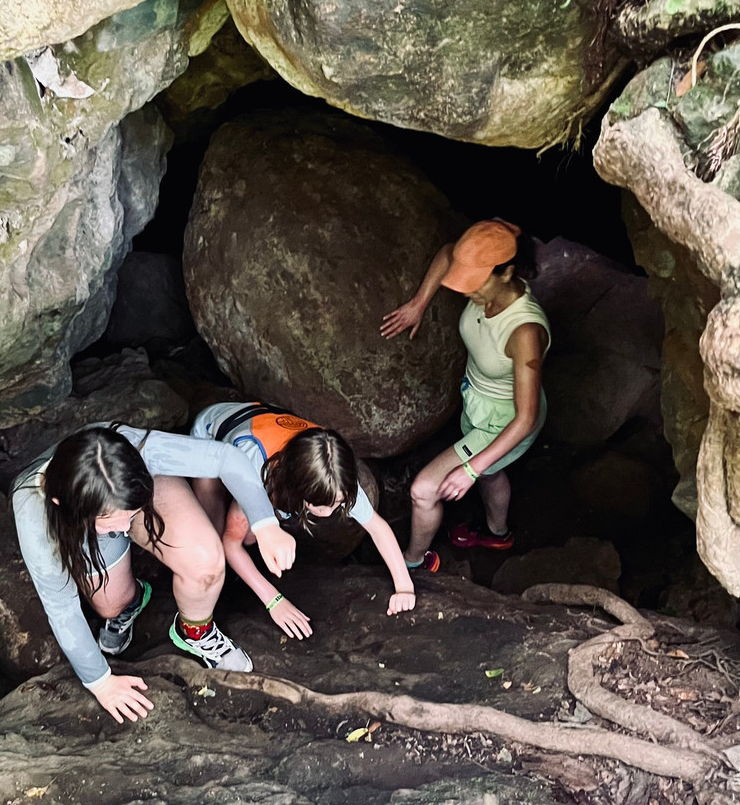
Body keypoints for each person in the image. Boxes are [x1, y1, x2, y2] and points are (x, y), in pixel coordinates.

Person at [11, 423, 297, 724]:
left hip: (127, 498)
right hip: (80, 519)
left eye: (127, 521)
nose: (123, 530)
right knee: (111, 604)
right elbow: (61, 605)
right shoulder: (33, 509)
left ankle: (195, 630)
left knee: (205, 562)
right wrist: (101, 682)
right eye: (112, 524)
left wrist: (266, 525)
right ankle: (132, 600)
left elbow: (226, 458)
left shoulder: (135, 450)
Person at [380, 219, 551, 567]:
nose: (464, 291)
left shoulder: (524, 331)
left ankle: (413, 561)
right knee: (492, 471)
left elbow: (526, 416)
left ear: (506, 273)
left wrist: (470, 469)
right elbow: (446, 254)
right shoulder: (486, 286)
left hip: (503, 423)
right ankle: (498, 535)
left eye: (474, 282)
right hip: (477, 403)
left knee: (423, 491)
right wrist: (419, 304)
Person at [191, 402, 416, 639]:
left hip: (262, 423)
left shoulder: (334, 473)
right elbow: (230, 543)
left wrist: (404, 587)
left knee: (250, 534)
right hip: (211, 435)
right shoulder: (255, 469)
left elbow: (377, 527)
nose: (329, 513)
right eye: (319, 504)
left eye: (337, 504)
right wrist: (274, 600)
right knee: (212, 539)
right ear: (296, 486)